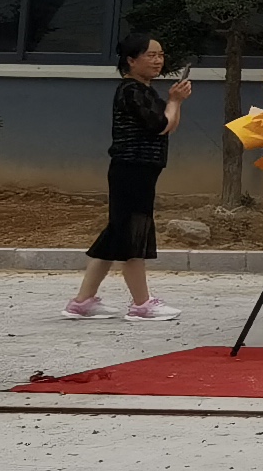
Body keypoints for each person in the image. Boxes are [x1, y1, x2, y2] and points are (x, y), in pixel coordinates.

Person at [67, 34, 188, 321]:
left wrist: (176, 102)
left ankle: (82, 302)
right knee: (134, 233)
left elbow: (170, 125)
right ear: (131, 60)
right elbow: (160, 125)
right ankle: (141, 304)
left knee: (117, 233)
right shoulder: (131, 90)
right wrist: (174, 100)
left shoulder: (146, 90)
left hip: (141, 169)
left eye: (161, 55)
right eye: (151, 55)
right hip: (131, 169)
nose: (158, 60)